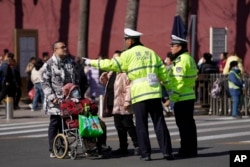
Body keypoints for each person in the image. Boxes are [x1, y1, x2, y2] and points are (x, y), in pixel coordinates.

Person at [84, 28, 173, 161]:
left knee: (141, 125)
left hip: (139, 95)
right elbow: (163, 73)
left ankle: (146, 154)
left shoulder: (128, 54)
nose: (125, 42)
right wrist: (169, 89)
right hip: (154, 93)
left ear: (130, 40)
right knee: (159, 123)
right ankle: (167, 152)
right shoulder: (151, 52)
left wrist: (91, 62)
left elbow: (110, 64)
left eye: (126, 40)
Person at [40, 41, 79, 158]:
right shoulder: (49, 64)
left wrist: (77, 95)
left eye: (65, 46)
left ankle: (64, 147)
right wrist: (52, 97)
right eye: (62, 47)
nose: (65, 48)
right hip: (55, 101)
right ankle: (53, 149)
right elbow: (44, 83)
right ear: (55, 50)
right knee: (55, 123)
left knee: (66, 124)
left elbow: (75, 80)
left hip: (68, 100)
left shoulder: (70, 62)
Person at [99, 50, 139, 156]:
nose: (114, 60)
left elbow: (130, 87)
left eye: (116, 58)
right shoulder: (112, 71)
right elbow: (109, 86)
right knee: (118, 126)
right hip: (113, 102)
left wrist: (127, 101)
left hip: (123, 103)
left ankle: (138, 145)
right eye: (113, 58)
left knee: (128, 125)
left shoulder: (126, 72)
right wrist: (104, 79)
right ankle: (123, 147)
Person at [166, 34, 198, 158]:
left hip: (182, 98)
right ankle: (191, 150)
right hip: (188, 96)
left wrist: (172, 99)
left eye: (173, 45)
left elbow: (179, 82)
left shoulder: (182, 60)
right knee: (189, 125)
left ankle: (186, 150)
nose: (171, 48)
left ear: (180, 47)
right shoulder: (188, 58)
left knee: (184, 126)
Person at [61, 83, 111, 156]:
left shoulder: (84, 100)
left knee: (102, 125)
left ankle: (102, 145)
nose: (77, 92)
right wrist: (80, 110)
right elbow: (67, 111)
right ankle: (91, 147)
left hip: (88, 119)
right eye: (74, 90)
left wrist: (90, 108)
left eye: (77, 90)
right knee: (86, 127)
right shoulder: (66, 102)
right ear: (69, 92)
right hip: (75, 121)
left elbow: (94, 106)